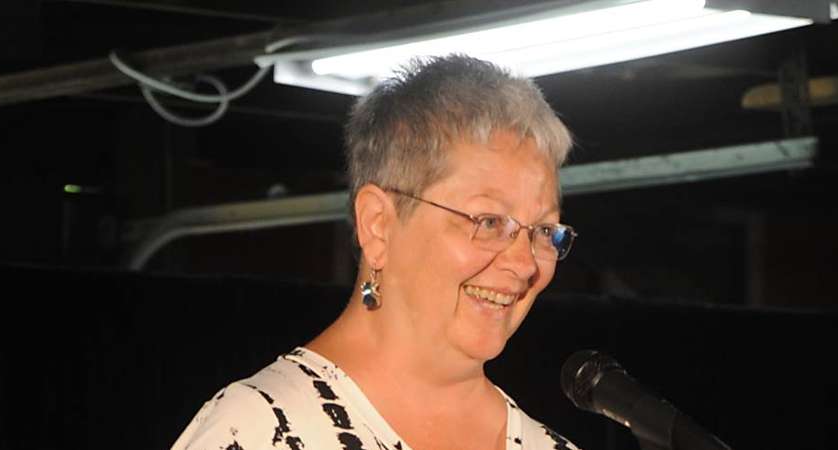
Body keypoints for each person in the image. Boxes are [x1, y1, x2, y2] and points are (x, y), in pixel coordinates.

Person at [170, 55, 580, 450]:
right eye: (489, 222)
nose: (525, 264)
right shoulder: (263, 429)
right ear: (378, 225)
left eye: (544, 231)